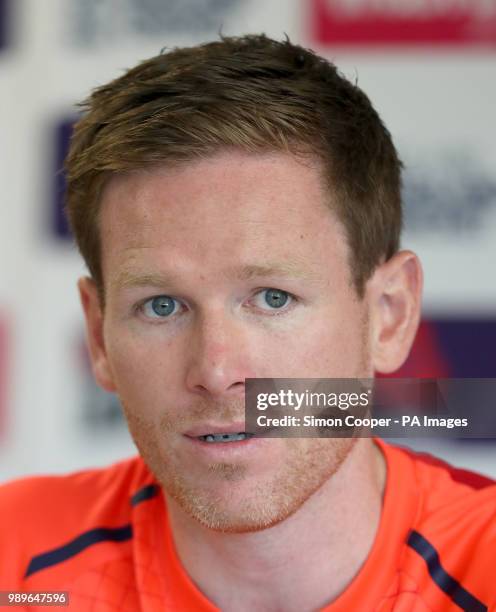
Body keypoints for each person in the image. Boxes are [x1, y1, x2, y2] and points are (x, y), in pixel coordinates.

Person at [0, 34, 494, 611]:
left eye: (272, 298)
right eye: (162, 305)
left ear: (389, 315)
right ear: (98, 334)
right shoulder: (16, 561)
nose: (215, 370)